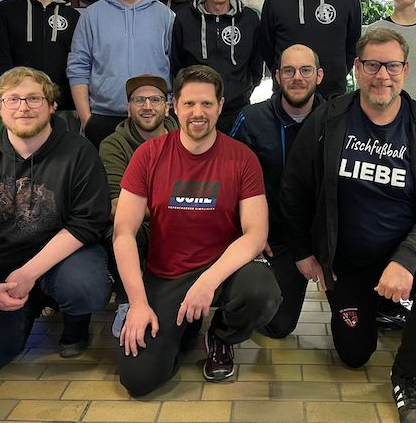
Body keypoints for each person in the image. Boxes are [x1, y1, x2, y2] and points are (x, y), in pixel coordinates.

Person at [280, 27, 416, 423]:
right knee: (353, 355)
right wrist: (304, 252)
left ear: (406, 70)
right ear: (356, 68)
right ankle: (378, 305)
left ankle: (407, 376)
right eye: (372, 65)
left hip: (409, 250)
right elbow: (294, 188)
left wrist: (407, 258)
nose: (382, 75)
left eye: (392, 66)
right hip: (349, 260)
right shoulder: (328, 119)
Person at [113, 65, 281, 395]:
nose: (198, 113)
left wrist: (207, 281)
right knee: (138, 380)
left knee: (262, 293)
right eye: (189, 104)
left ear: (220, 106)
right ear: (174, 106)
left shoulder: (242, 158)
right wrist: (138, 303)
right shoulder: (148, 155)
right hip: (168, 275)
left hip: (224, 269)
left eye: (207, 104)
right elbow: (123, 233)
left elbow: (255, 234)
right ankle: (185, 327)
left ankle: (220, 335)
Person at [0, 67, 111, 371]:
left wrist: (29, 273)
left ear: (52, 105)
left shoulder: (80, 154)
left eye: (33, 98)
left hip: (64, 261)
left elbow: (87, 222)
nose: (23, 107)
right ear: (0, 106)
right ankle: (28, 305)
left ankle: (75, 321)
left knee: (84, 287)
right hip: (6, 270)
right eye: (12, 99)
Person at [230, 44, 325, 337]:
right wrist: (251, 234)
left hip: (323, 236)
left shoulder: (336, 119)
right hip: (274, 237)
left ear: (319, 75)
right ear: (277, 76)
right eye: (289, 70)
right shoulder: (251, 119)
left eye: (306, 70)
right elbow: (231, 182)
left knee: (354, 343)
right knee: (278, 326)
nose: (297, 78)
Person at [67, 0, 174, 149]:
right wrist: (86, 119)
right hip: (103, 118)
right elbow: (78, 67)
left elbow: (176, 66)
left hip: (153, 117)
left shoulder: (166, 16)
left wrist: (168, 109)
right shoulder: (92, 15)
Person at [99, 74, 178, 311]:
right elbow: (116, 206)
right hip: (141, 224)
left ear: (167, 107)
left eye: (155, 99)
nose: (147, 106)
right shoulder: (113, 144)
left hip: (182, 222)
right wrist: (170, 207)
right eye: (139, 100)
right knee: (121, 229)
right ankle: (127, 302)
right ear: (128, 109)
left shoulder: (185, 139)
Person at [171, 0, 262, 133]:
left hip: (238, 111)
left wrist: (241, 92)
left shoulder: (250, 19)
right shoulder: (184, 19)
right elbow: (177, 66)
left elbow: (256, 67)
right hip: (197, 113)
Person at [0, 0, 79, 116]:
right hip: (22, 104)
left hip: (64, 105)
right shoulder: (6, 10)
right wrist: (20, 94)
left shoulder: (73, 16)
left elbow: (78, 61)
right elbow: (1, 58)